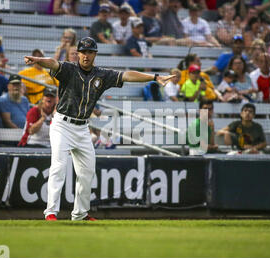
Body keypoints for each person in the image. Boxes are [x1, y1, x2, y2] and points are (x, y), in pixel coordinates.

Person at [23, 36, 175, 221]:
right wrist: (39, 61)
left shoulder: (102, 74)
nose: (86, 55)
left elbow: (126, 75)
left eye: (90, 52)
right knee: (59, 167)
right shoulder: (69, 69)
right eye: (83, 52)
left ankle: (80, 214)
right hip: (62, 124)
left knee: (87, 172)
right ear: (78, 53)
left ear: (95, 54)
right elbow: (54, 63)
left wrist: (155, 77)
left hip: (82, 128)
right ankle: (51, 213)